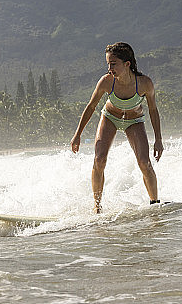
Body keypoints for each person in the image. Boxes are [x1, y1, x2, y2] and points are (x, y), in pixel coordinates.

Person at [70, 42, 163, 213]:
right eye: (108, 64)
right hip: (110, 118)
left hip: (134, 121)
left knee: (144, 162)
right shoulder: (106, 82)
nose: (109, 68)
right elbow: (91, 107)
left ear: (127, 64)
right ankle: (97, 207)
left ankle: (155, 203)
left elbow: (153, 110)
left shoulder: (144, 84)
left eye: (113, 64)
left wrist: (158, 140)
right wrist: (78, 135)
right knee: (99, 160)